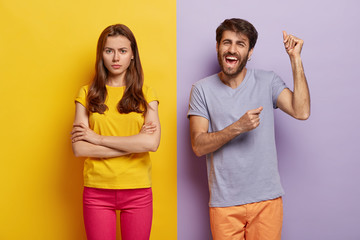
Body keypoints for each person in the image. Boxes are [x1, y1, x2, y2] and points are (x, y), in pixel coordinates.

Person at [188, 18, 310, 240]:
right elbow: (198, 145)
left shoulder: (267, 81)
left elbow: (301, 111)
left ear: (250, 52)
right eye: (226, 42)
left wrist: (295, 59)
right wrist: (237, 128)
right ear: (218, 47)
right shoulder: (201, 90)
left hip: (267, 201)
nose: (232, 49)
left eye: (240, 44)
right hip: (224, 204)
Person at [71, 24, 160, 240]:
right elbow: (79, 148)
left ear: (132, 55)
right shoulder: (86, 93)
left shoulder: (146, 94)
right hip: (97, 191)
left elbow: (151, 144)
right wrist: (133, 146)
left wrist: (98, 139)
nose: (115, 58)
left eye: (122, 51)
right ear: (101, 55)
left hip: (138, 190)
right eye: (109, 51)